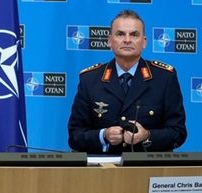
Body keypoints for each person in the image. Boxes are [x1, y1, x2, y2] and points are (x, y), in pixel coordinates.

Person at [68, 9, 186, 154]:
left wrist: (147, 136)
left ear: (144, 42)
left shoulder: (164, 77)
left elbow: (178, 132)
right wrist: (103, 135)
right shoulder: (90, 79)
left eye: (134, 34)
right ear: (109, 41)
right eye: (120, 34)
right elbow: (74, 136)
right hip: (103, 170)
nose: (127, 40)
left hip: (148, 168)